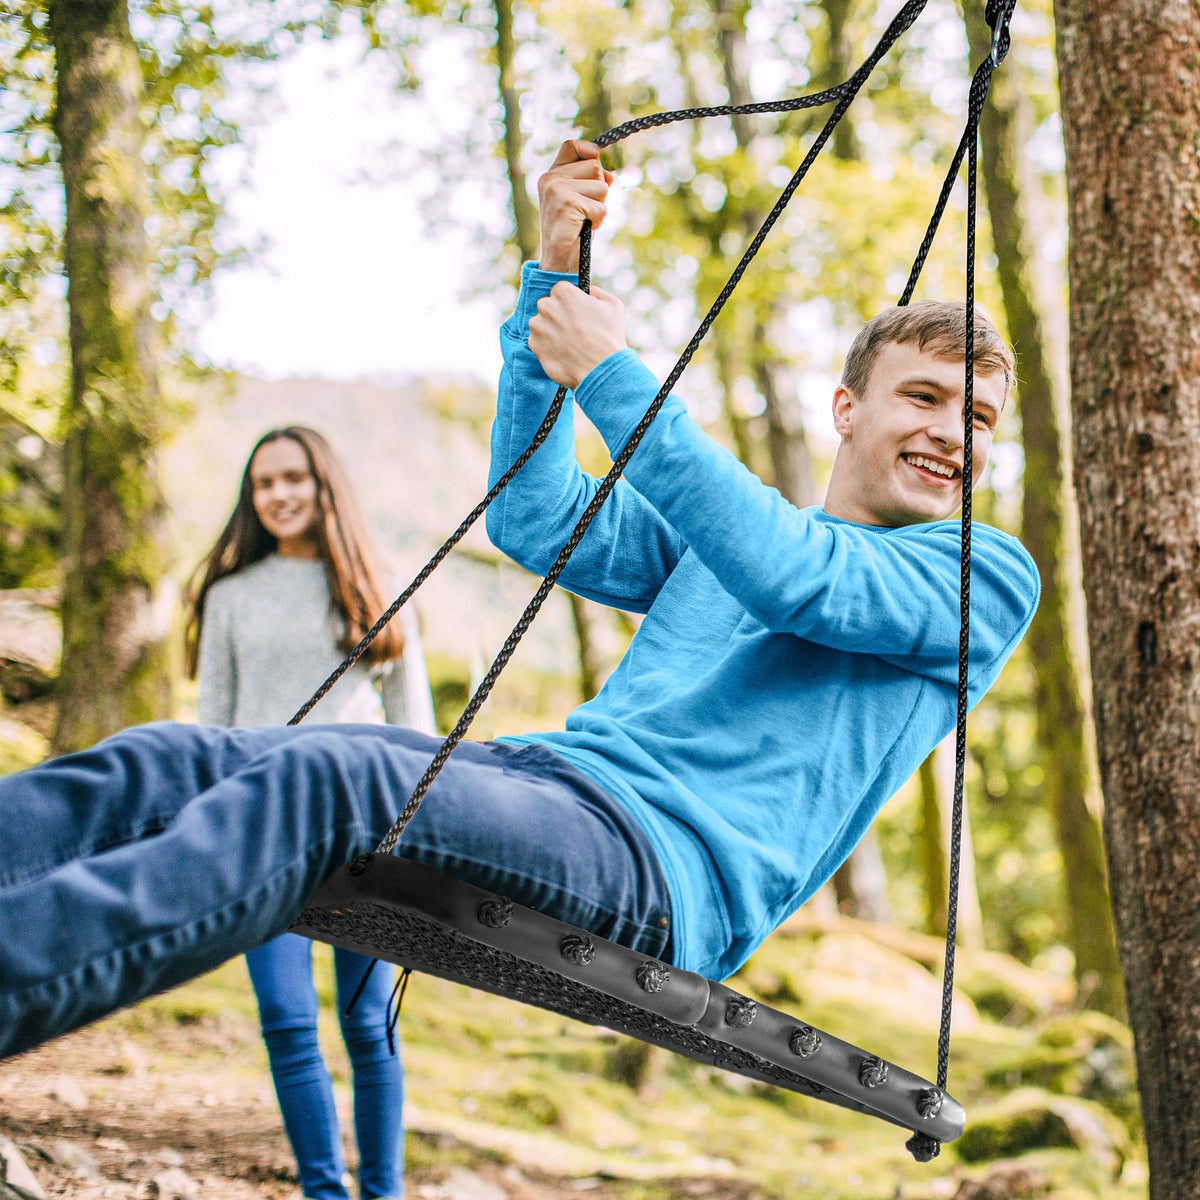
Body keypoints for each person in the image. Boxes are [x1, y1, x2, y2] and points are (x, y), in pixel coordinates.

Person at [0, 141, 1039, 1064]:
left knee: (326, 779)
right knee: (171, 759)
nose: (954, 431)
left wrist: (613, 373)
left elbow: (796, 578)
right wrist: (553, 279)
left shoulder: (981, 576)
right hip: (549, 784)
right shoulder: (720, 535)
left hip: (660, 868)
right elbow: (534, 517)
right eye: (924, 396)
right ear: (848, 409)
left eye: (978, 416)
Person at [184, 426, 435, 1200]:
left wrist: (419, 840)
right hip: (266, 838)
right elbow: (214, 730)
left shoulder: (373, 587)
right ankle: (324, 1192)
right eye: (264, 484)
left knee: (370, 1028)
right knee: (290, 1027)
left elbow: (415, 726)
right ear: (250, 500)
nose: (280, 495)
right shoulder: (227, 597)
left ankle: (382, 1192)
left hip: (367, 840)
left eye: (295, 478)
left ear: (326, 487)